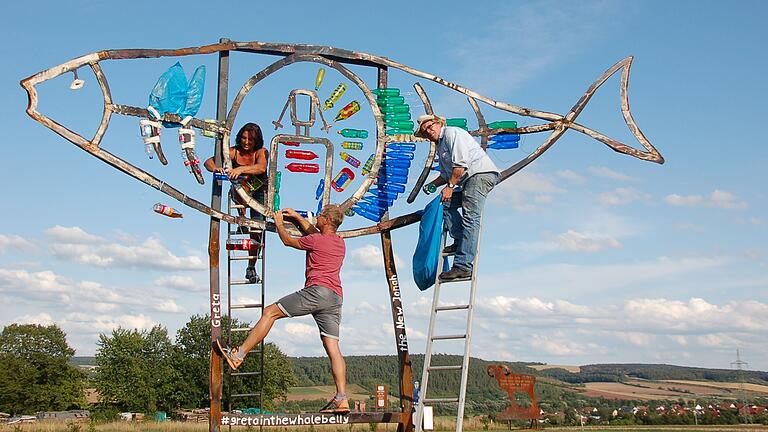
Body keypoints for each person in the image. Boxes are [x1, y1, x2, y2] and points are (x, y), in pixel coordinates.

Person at [216, 205, 350, 414]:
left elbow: (289, 241)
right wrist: (297, 216)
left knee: (270, 312)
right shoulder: (340, 244)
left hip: (317, 291)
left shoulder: (315, 240)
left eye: (320, 216)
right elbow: (313, 232)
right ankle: (342, 398)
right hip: (335, 297)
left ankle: (238, 355)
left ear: (325, 220)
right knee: (332, 346)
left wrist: (279, 222)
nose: (317, 218)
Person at [414, 114, 500, 281]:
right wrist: (433, 184)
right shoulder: (441, 145)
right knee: (444, 204)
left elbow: (460, 165)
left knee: (470, 217)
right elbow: (447, 174)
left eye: (430, 126)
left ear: (438, 123)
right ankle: (460, 240)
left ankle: (463, 265)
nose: (429, 130)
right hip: (468, 180)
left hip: (480, 175)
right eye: (425, 131)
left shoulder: (452, 133)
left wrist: (450, 187)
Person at [204, 123, 268, 282]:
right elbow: (208, 162)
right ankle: (242, 217)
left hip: (259, 191)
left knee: (257, 231)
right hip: (241, 191)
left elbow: (261, 167)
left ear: (256, 140)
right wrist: (216, 169)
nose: (246, 142)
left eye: (251, 140)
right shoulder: (233, 151)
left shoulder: (261, 152)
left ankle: (251, 266)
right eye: (244, 138)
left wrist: (240, 169)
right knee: (238, 190)